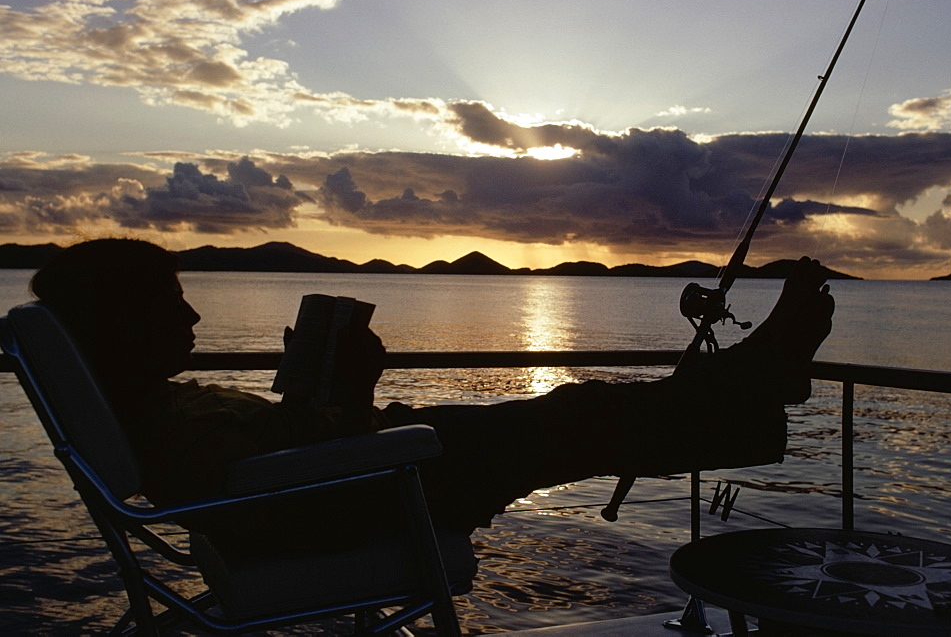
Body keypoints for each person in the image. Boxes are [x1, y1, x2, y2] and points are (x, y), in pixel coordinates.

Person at [28, 238, 833, 545]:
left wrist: (330, 390)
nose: (194, 312)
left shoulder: (150, 405)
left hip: (362, 467)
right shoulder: (170, 424)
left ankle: (749, 384)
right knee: (580, 417)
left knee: (580, 415)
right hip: (366, 493)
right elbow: (273, 470)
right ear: (124, 323)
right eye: (171, 304)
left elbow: (272, 451)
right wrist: (350, 394)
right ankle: (754, 382)